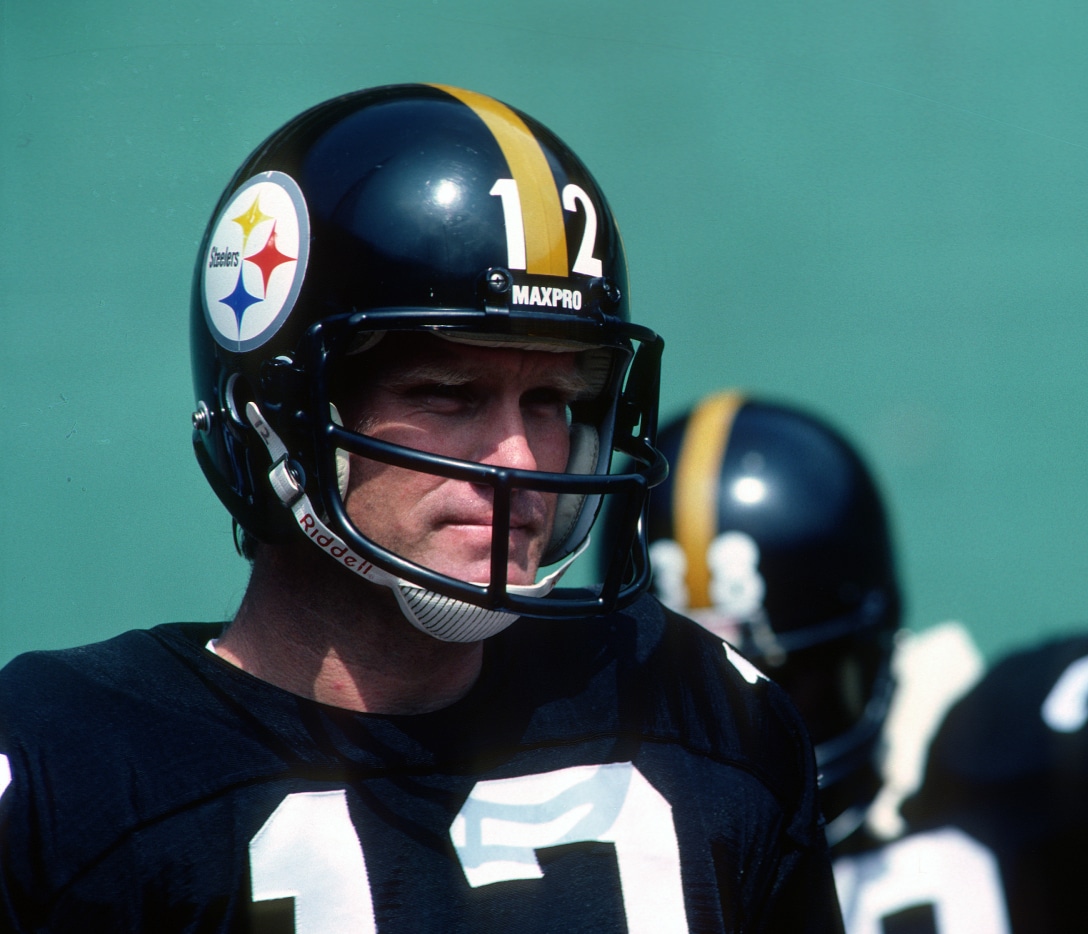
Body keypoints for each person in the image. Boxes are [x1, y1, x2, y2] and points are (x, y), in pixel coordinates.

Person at [0, 86, 841, 933]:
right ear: (278, 414)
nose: (518, 458)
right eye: (449, 393)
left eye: (552, 400)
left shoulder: (705, 715)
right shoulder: (69, 775)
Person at [636, 389, 1088, 933]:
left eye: (792, 689)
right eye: (700, 695)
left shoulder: (1029, 753)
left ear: (874, 648)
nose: (747, 743)